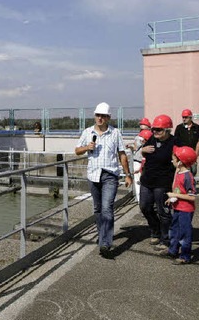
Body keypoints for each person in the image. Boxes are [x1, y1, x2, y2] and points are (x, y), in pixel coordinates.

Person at [75, 102, 132, 258]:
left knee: (107, 208)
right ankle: (102, 236)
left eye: (103, 116)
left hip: (110, 175)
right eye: (97, 115)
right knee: (98, 209)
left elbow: (122, 154)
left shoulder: (115, 133)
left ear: (108, 118)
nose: (100, 118)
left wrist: (127, 174)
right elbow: (77, 151)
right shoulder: (87, 132)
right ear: (95, 116)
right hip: (93, 175)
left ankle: (106, 243)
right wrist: (87, 147)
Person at [139, 114, 179, 251]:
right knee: (144, 207)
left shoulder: (174, 142)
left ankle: (165, 238)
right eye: (154, 129)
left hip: (162, 182)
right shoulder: (151, 138)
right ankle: (155, 230)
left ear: (168, 130)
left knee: (163, 211)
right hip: (147, 179)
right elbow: (141, 153)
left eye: (159, 130)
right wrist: (143, 150)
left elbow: (180, 161)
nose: (155, 132)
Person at [162, 146, 198, 265]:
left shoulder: (188, 177)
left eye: (174, 159)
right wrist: (172, 198)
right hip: (177, 207)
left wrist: (173, 194)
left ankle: (185, 256)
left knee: (184, 233)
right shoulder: (178, 172)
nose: (172, 161)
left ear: (180, 162)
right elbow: (178, 190)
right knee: (174, 229)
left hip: (186, 210)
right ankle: (173, 250)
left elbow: (192, 197)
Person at [174, 109, 199, 174]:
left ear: (190, 117)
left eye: (186, 117)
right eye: (183, 117)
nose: (184, 119)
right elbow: (175, 141)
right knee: (183, 171)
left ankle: (191, 182)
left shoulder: (196, 127)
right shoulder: (179, 128)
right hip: (182, 154)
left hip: (193, 153)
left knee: (193, 171)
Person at [132, 129, 153, 203]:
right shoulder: (146, 148)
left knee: (142, 184)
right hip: (141, 166)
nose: (141, 141)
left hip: (145, 168)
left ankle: (144, 201)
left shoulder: (149, 149)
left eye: (142, 139)